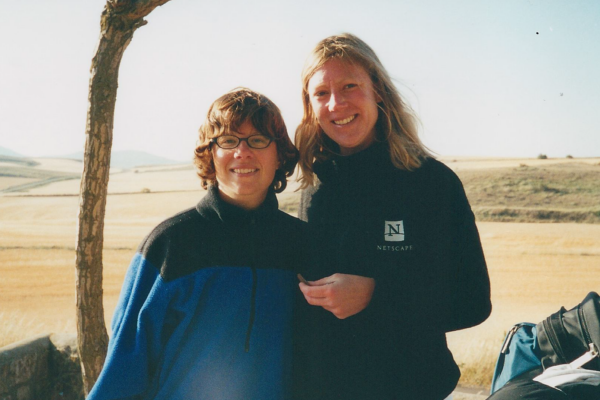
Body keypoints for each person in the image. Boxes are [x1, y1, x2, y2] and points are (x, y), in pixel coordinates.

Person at [293, 33, 492, 400]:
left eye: (349, 86)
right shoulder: (314, 186)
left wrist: (375, 295)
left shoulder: (431, 183)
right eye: (321, 93)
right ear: (309, 104)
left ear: (379, 91)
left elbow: (473, 302)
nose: (336, 103)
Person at [88, 87, 308, 400]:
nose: (242, 152)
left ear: (280, 154)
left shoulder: (302, 244)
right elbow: (124, 367)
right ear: (210, 153)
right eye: (229, 141)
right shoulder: (170, 245)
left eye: (258, 140)